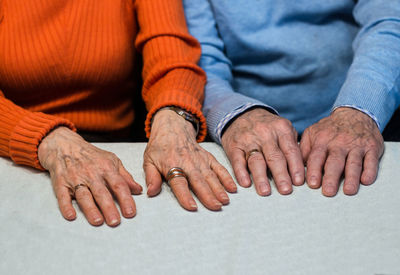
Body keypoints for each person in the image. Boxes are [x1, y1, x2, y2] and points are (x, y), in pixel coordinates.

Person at [0, 0, 236, 227]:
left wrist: (173, 117)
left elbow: (170, 49)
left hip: (118, 145)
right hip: (15, 147)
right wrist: (47, 139)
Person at [183, 0, 400, 196]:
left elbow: (388, 21)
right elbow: (201, 60)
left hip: (366, 117)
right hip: (240, 127)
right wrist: (234, 114)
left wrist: (359, 109)